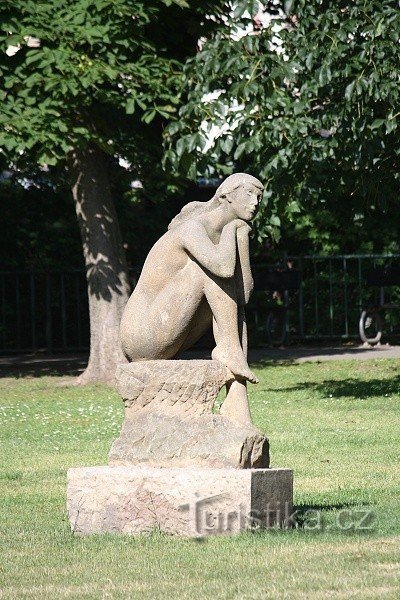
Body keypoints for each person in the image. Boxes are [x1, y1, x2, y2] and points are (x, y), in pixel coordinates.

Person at [120, 173, 264, 425]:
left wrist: (240, 237)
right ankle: (230, 351)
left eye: (260, 197)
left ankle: (236, 394)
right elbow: (223, 268)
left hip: (171, 334)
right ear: (226, 196)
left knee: (228, 295)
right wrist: (233, 230)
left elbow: (243, 295)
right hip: (141, 336)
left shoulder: (224, 236)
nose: (256, 202)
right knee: (205, 270)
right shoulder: (193, 228)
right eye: (249, 194)